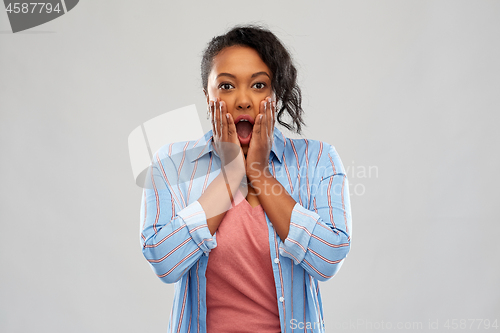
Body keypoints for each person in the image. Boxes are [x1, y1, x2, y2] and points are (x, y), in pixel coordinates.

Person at [140, 24, 352, 333]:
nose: (243, 100)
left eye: (258, 85)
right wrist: (230, 175)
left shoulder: (318, 160)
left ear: (275, 93)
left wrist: (259, 174)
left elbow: (329, 259)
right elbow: (164, 262)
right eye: (226, 86)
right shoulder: (171, 164)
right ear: (206, 94)